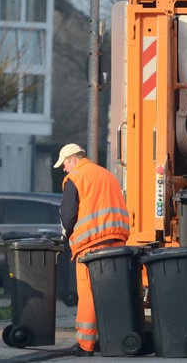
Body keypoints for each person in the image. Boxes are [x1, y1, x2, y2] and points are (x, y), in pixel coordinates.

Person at [54, 143, 130, 357]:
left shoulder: (75, 178)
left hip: (91, 244)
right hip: (117, 241)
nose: (64, 169)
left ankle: (86, 344)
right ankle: (114, 340)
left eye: (65, 164)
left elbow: (68, 215)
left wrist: (65, 235)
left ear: (73, 160)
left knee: (88, 293)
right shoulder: (106, 175)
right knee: (111, 293)